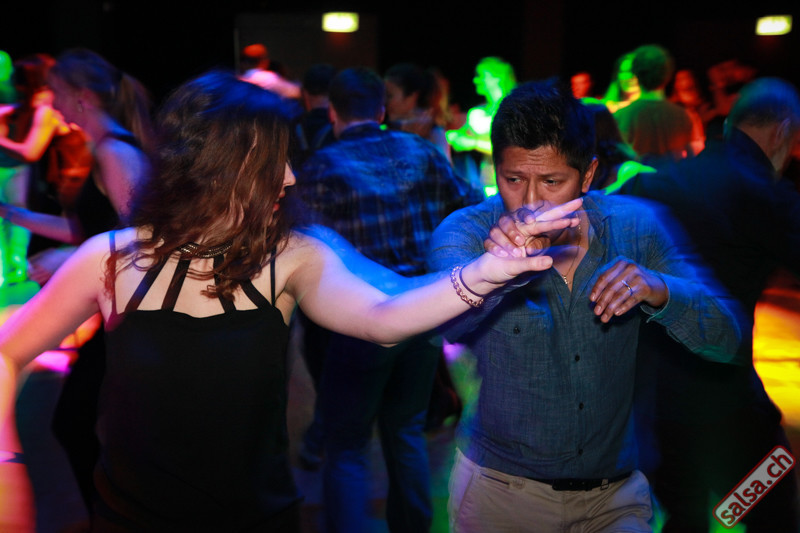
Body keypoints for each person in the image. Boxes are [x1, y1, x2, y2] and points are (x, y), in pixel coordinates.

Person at [0, 70, 581, 531]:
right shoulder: (111, 259)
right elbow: (7, 353)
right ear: (216, 169)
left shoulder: (292, 255)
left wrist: (485, 274)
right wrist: (7, 464)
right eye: (269, 162)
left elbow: (383, 316)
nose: (289, 177)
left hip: (256, 520)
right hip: (130, 521)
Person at [427, 79, 744, 532]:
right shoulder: (466, 233)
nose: (531, 203)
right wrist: (495, 273)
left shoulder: (636, 227)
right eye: (513, 180)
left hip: (614, 496)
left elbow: (730, 339)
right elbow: (445, 326)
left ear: (588, 175)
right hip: (502, 492)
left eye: (552, 182)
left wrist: (662, 290)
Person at [296, 66, 483, 532]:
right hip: (422, 312)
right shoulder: (422, 152)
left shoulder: (322, 166)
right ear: (381, 110)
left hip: (358, 321)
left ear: (333, 113)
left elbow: (305, 246)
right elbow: (470, 205)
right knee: (406, 431)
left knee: (347, 445)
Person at [613, 77, 800, 533]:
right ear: (782, 131)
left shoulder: (658, 183)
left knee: (685, 515)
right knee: (773, 498)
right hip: (726, 400)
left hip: (652, 401)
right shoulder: (764, 193)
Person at [0, 48, 153, 514]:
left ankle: (110, 516)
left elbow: (141, 238)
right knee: (78, 421)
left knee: (72, 421)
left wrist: (71, 257)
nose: (52, 104)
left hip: (132, 316)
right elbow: (85, 228)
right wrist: (12, 213)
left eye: (57, 93)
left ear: (82, 97)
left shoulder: (115, 152)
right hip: (117, 313)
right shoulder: (106, 148)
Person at [446, 57, 517, 194]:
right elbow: (463, 135)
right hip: (488, 179)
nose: (476, 80)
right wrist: (455, 137)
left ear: (497, 77)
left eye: (481, 75)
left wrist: (472, 143)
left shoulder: (514, 110)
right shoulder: (478, 112)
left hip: (511, 180)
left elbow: (511, 148)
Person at [613, 44, 693, 164]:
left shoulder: (621, 116)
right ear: (668, 74)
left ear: (636, 73)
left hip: (639, 176)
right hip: (674, 176)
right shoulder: (683, 116)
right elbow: (689, 158)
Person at [384, 62, 451, 161]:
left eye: (389, 96)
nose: (384, 101)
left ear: (412, 97)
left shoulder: (434, 133)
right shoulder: (387, 130)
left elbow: (443, 169)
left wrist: (413, 141)